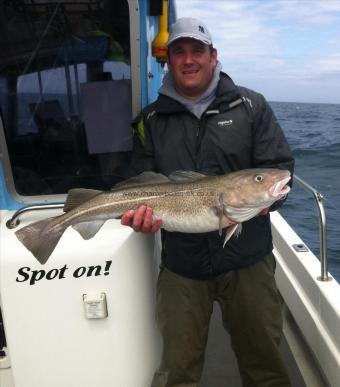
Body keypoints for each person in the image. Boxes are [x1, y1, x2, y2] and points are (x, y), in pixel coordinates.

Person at [121, 17, 295, 387]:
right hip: (182, 267)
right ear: (168, 62)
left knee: (266, 364)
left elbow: (279, 169)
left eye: (197, 51)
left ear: (213, 57)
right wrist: (142, 219)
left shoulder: (251, 106)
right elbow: (141, 178)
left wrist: (264, 201)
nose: (188, 60)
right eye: (179, 52)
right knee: (177, 372)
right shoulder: (150, 120)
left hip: (248, 262)